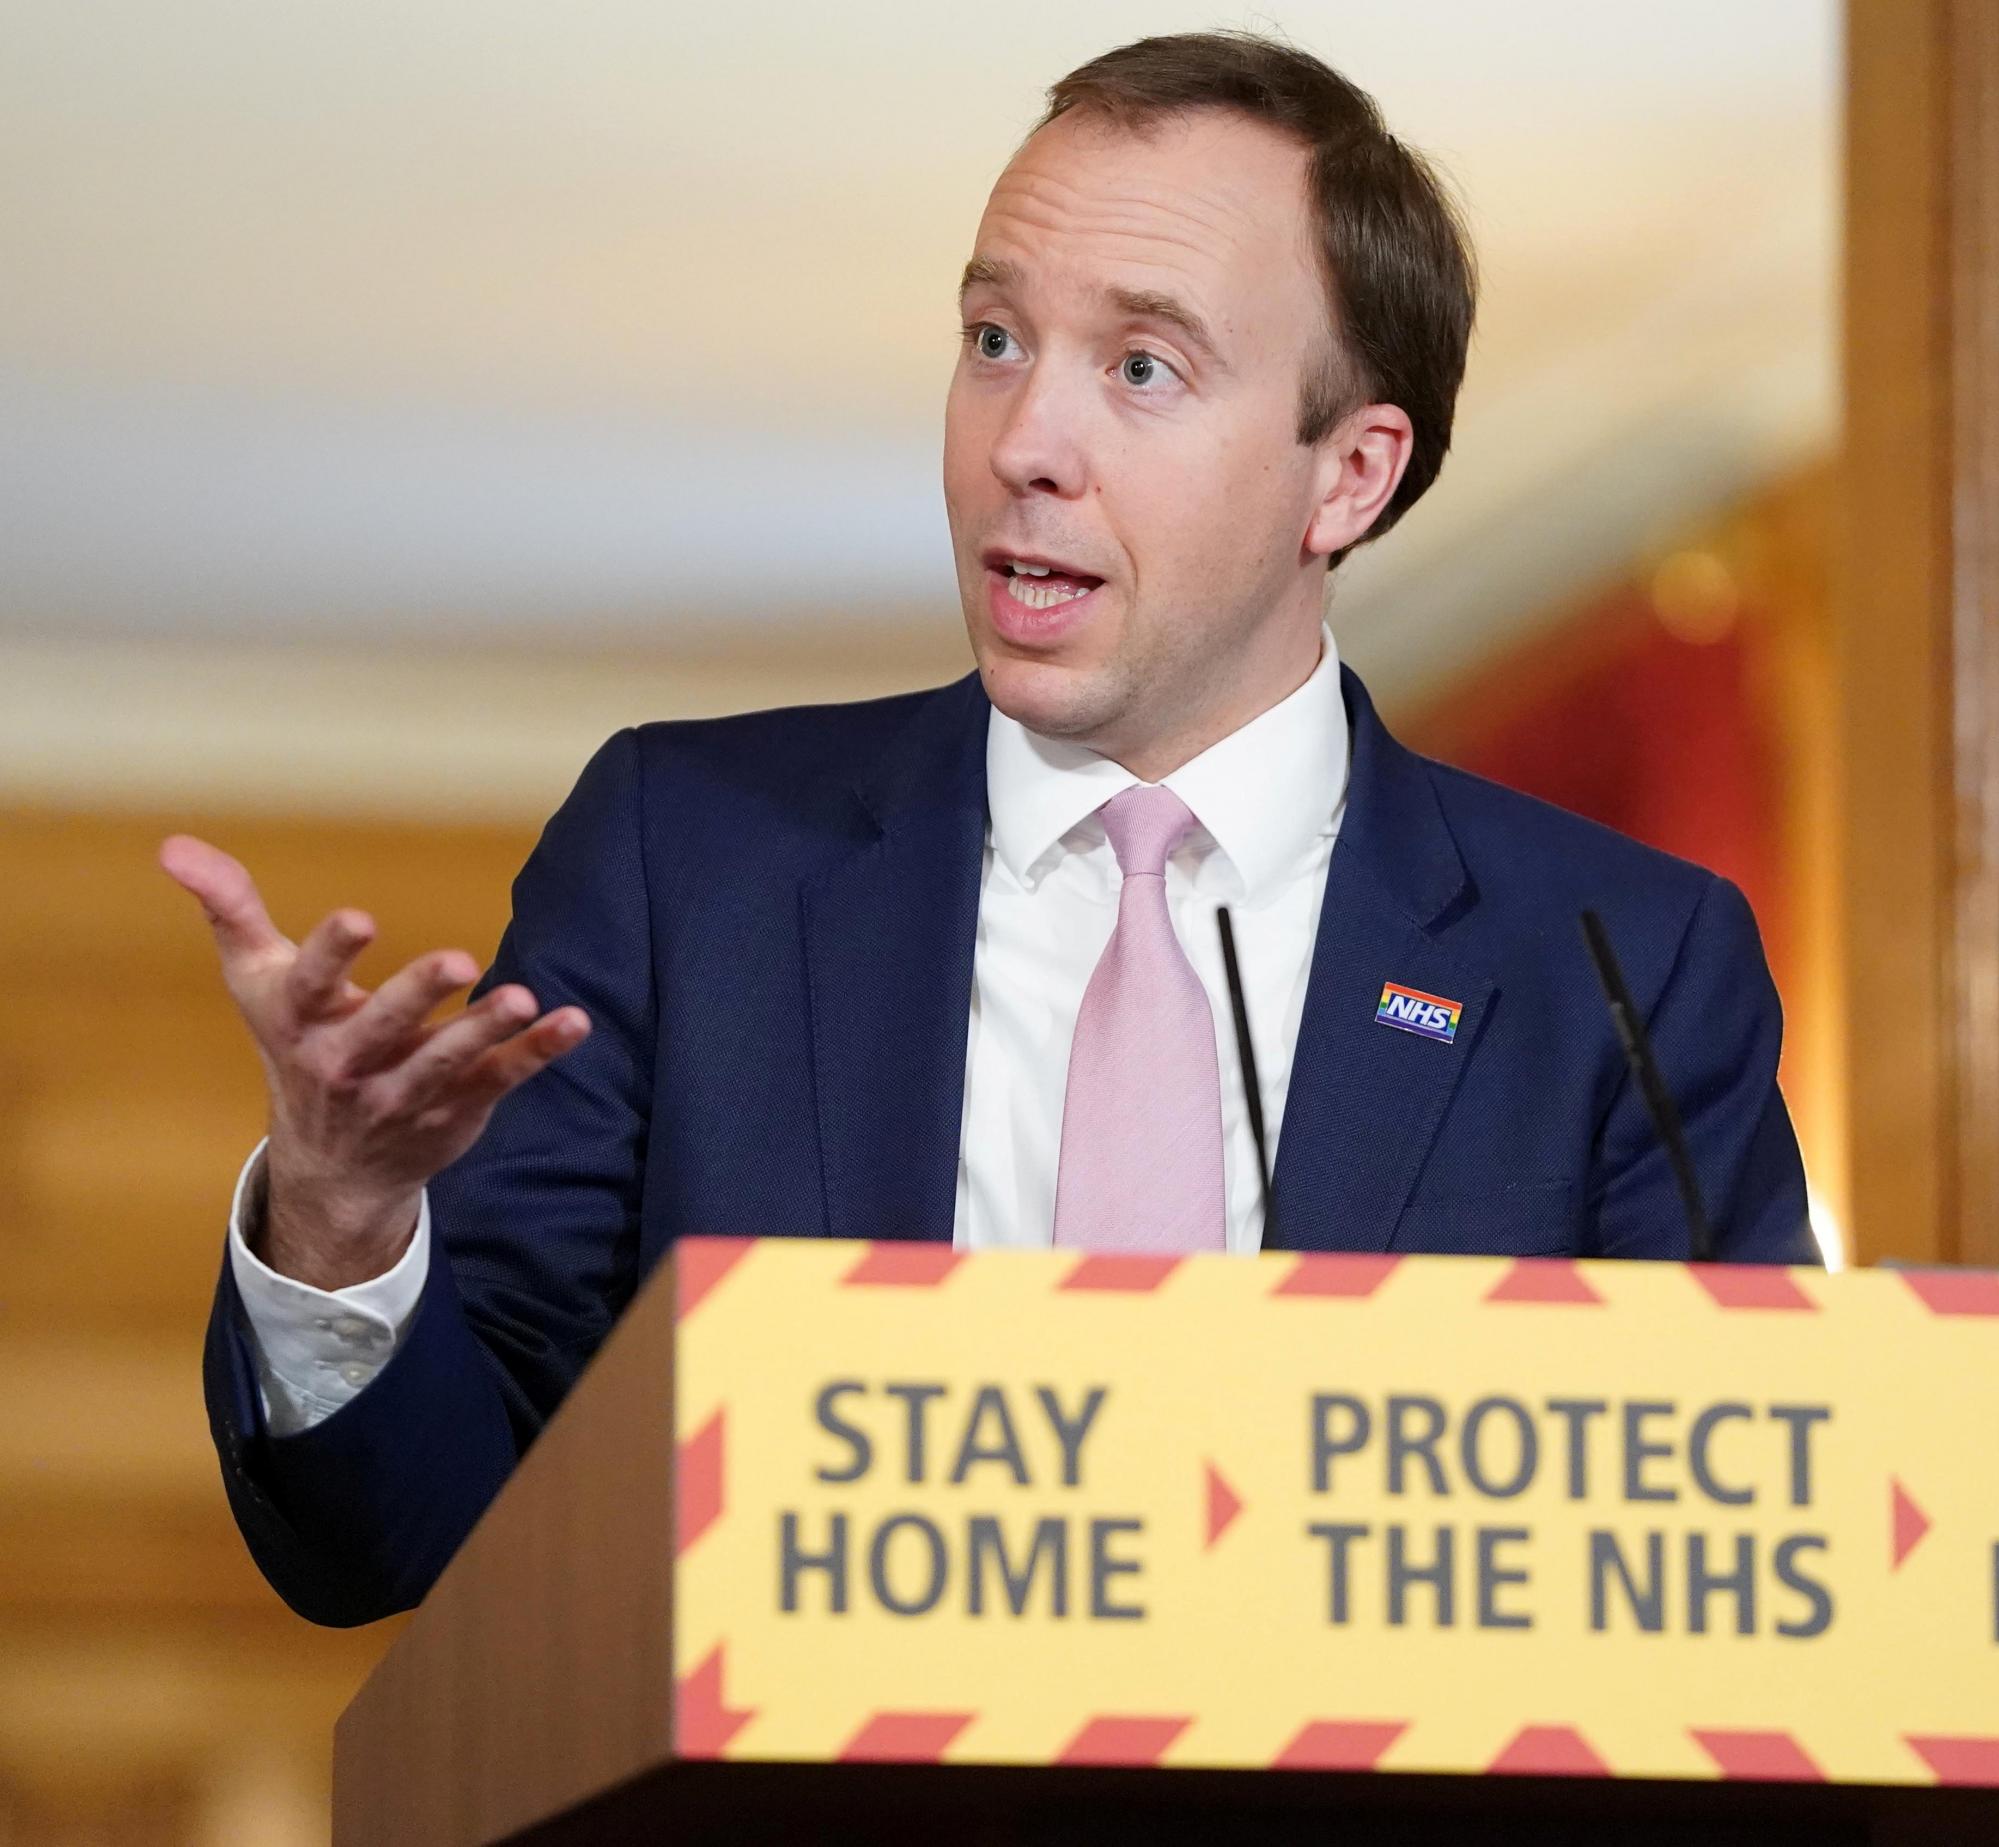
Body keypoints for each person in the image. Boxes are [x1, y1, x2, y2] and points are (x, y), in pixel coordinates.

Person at [162, 31, 1817, 1628]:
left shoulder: (1619, 964)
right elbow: (401, 1536)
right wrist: (342, 1223)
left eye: (1143, 367)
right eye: (994, 339)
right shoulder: (694, 862)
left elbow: (1738, 1553)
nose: (1023, 444)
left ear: (1349, 478)